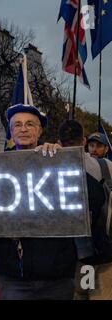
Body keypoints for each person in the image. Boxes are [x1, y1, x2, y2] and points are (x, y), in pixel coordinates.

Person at [0, 104, 78, 300]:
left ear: (39, 130)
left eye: (30, 124)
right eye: (17, 125)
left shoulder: (57, 160)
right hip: (14, 278)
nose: (23, 129)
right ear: (11, 132)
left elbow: (93, 197)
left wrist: (63, 159)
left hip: (56, 278)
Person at [57, 120, 107, 300]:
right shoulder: (105, 167)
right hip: (99, 251)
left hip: (68, 254)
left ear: (60, 142)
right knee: (92, 292)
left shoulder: (51, 165)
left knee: (78, 293)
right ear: (84, 141)